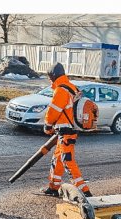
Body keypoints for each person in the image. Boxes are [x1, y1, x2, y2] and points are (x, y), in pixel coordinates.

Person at [43, 63, 92, 196]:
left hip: (66, 131)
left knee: (67, 160)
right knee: (58, 159)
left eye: (49, 77)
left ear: (53, 76)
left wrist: (47, 125)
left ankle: (84, 191)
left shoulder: (61, 90)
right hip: (70, 129)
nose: (49, 80)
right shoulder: (72, 87)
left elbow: (53, 111)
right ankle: (53, 187)